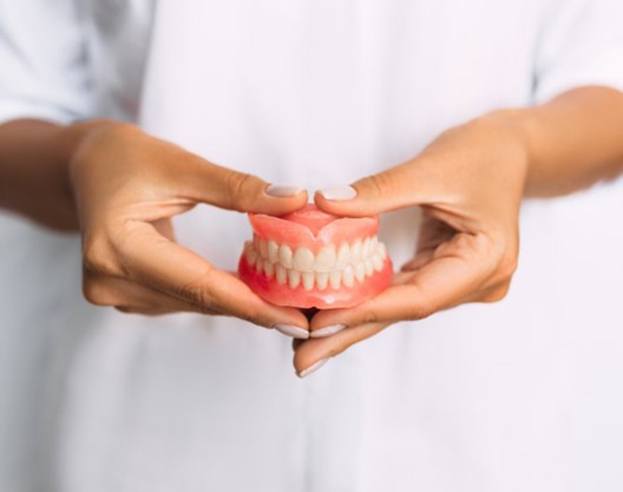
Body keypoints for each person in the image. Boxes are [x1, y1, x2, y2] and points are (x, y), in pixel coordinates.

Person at [1, 1, 622, 491]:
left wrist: (521, 149)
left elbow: (607, 80)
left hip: (497, 419)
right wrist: (82, 164)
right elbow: (15, 101)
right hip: (142, 424)